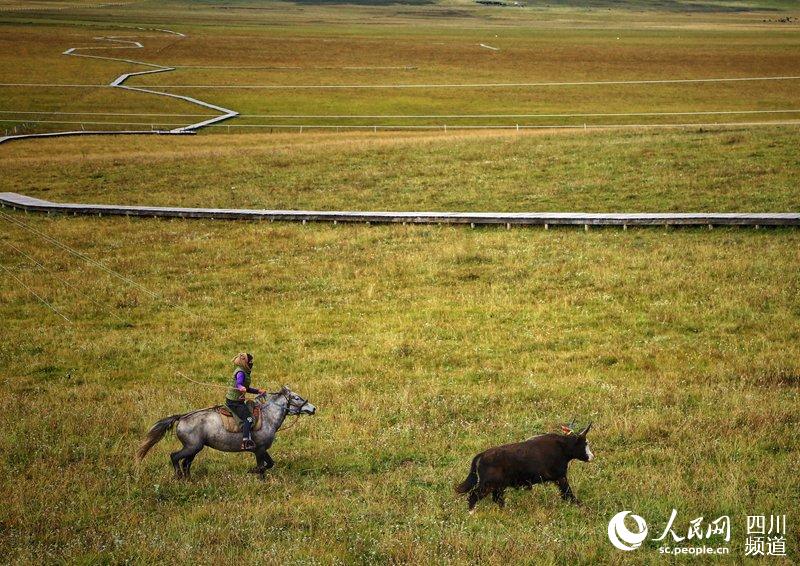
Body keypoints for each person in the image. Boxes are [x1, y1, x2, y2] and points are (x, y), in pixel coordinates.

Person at [225, 352, 267, 450]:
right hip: (234, 402)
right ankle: (245, 442)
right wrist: (240, 387)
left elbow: (246, 388)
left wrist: (258, 391)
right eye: (250, 362)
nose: (251, 363)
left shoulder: (244, 371)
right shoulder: (240, 372)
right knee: (249, 419)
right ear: (245, 363)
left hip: (237, 401)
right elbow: (239, 384)